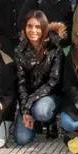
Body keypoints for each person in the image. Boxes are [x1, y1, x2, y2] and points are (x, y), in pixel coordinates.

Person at [14, 11, 66, 144]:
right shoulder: (19, 50)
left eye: (38, 27)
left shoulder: (55, 48)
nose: (33, 30)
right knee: (21, 139)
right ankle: (34, 119)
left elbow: (54, 81)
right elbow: (21, 82)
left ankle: (50, 119)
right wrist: (25, 109)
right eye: (29, 26)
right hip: (29, 98)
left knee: (41, 111)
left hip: (51, 95)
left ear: (44, 28)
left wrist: (31, 101)